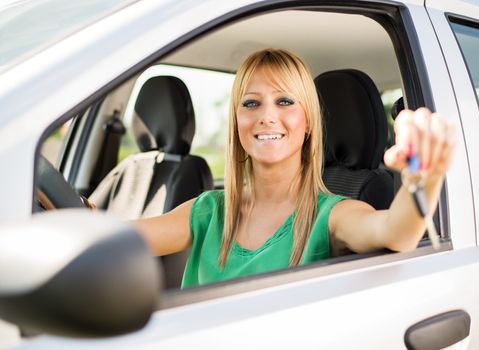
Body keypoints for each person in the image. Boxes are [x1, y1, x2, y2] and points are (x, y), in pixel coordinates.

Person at [133, 48, 456, 288]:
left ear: (309, 123)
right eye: (251, 103)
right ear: (237, 121)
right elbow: (121, 241)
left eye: (285, 101)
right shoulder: (207, 211)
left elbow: (395, 233)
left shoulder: (332, 214)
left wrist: (424, 176)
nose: (267, 116)